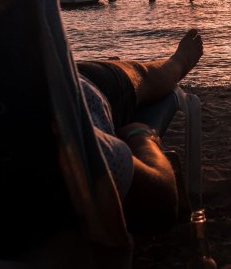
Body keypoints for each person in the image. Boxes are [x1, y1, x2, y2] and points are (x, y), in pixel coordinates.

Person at [75, 28, 203, 233]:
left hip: (79, 81)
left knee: (141, 75)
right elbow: (160, 197)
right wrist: (142, 136)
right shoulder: (65, 137)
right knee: (144, 75)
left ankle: (175, 62)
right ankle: (177, 62)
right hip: (83, 85)